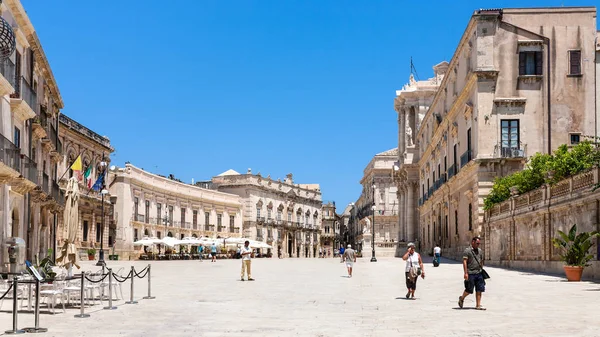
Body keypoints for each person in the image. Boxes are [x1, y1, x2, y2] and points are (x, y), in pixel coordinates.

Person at [458, 237, 486, 310]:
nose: (478, 245)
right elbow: (464, 262)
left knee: (479, 289)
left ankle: (478, 305)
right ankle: (462, 298)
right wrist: (465, 273)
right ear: (472, 242)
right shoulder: (467, 251)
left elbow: (482, 260)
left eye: (479, 243)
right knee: (469, 290)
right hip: (470, 273)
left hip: (479, 273)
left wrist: (481, 269)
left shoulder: (480, 251)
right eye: (477, 243)